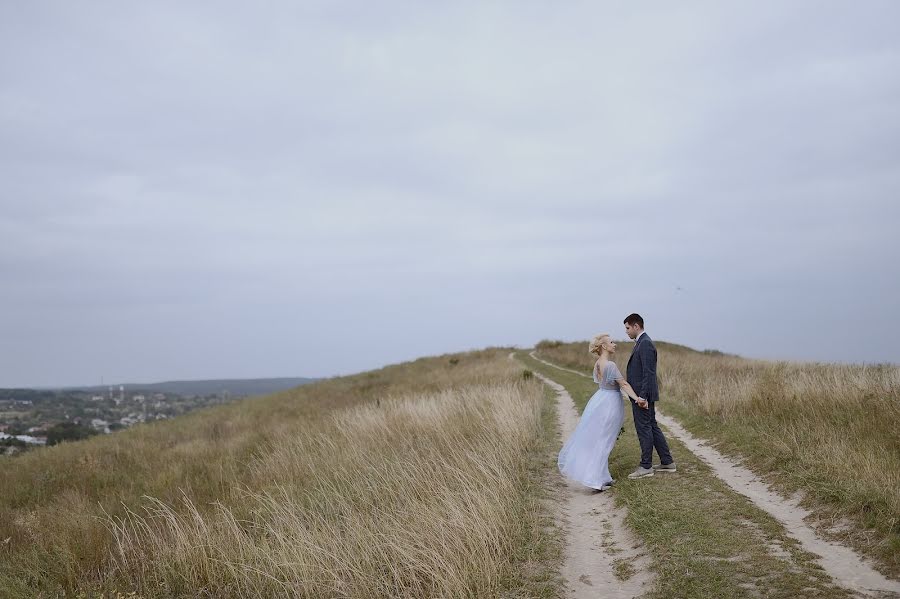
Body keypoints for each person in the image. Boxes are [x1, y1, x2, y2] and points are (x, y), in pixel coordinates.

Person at [558, 333, 647, 491]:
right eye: (611, 342)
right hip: (609, 403)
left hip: (599, 400)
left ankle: (602, 476)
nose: (615, 344)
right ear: (604, 346)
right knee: (604, 440)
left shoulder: (598, 364)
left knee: (600, 438)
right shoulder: (610, 365)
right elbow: (623, 384)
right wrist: (637, 399)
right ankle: (594, 479)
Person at [624, 313, 676, 479]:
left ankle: (646, 466)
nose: (626, 332)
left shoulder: (645, 343)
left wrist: (643, 397)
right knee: (651, 426)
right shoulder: (641, 342)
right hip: (643, 394)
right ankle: (667, 462)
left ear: (636, 326)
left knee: (644, 428)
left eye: (627, 328)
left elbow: (648, 372)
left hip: (642, 396)